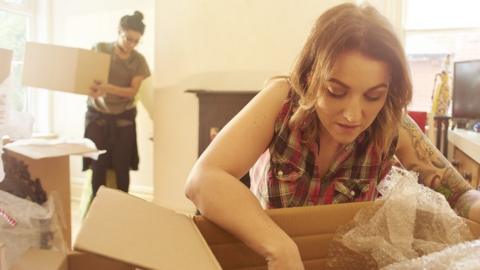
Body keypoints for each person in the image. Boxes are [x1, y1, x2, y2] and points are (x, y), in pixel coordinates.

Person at [185, 3, 480, 270]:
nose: (353, 115)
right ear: (310, 76)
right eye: (336, 92)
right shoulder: (281, 101)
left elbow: (460, 194)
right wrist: (280, 248)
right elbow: (204, 178)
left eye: (373, 96)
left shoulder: (391, 123)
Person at [84, 11, 150, 198]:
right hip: (98, 116)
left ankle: (122, 210)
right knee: (98, 166)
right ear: (119, 31)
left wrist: (107, 88)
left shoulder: (138, 61)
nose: (131, 44)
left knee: (122, 167)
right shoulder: (100, 49)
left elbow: (132, 91)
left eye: (136, 41)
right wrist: (93, 88)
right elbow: (86, 77)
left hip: (123, 118)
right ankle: (96, 211)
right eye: (128, 38)